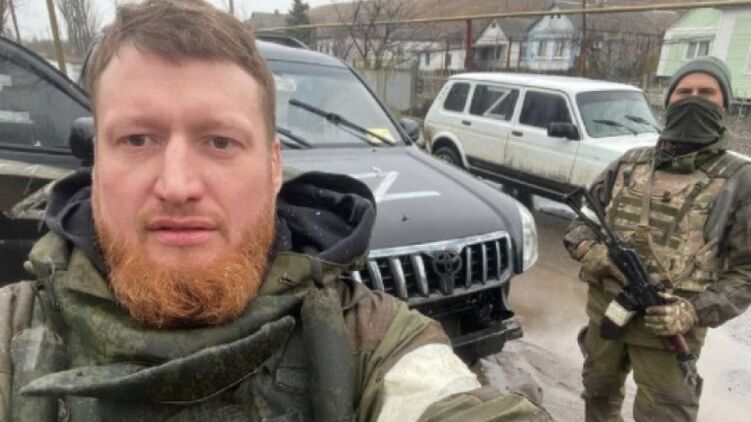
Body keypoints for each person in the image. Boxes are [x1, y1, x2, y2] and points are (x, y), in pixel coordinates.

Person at [0, 1, 552, 421]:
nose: (177, 185)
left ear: (272, 168)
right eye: (138, 139)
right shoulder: (14, 331)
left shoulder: (366, 340)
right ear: (96, 162)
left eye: (219, 142)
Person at [564, 55, 751, 422]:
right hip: (608, 310)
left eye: (706, 93)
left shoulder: (740, 180)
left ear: (724, 104)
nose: (693, 99)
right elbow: (580, 222)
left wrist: (692, 312)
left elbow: (746, 272)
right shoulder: (628, 163)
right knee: (598, 392)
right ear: (668, 100)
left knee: (665, 414)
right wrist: (591, 251)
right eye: (684, 91)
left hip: (668, 324)